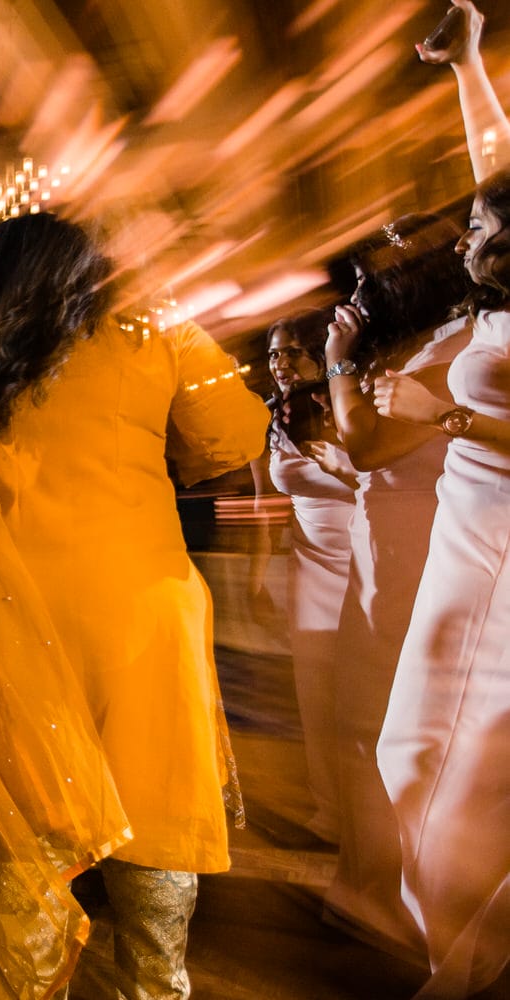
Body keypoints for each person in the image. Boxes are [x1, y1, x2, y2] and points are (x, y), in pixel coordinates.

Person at [0, 213, 269, 1000]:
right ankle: (154, 983)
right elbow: (233, 438)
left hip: (9, 617)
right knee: (152, 796)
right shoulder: (152, 332)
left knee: (19, 820)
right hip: (140, 608)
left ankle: (29, 986)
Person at [365, 12, 510, 994]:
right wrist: (468, 65)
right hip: (466, 545)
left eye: (482, 222)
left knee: (457, 781)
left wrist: (442, 421)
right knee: (410, 752)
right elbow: (494, 156)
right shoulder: (496, 305)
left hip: (502, 562)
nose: (467, 227)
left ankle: (460, 965)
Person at [321, 212, 471, 952]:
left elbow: (368, 445)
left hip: (417, 544)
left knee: (387, 721)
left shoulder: (459, 343)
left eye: (372, 280)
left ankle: (390, 890)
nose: (360, 294)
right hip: (381, 540)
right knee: (362, 716)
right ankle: (365, 876)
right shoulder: (426, 342)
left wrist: (338, 356)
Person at [249, 311, 356, 844]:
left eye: (293, 350)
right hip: (312, 564)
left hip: (371, 549)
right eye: (274, 353)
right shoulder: (268, 417)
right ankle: (331, 810)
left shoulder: (350, 396)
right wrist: (257, 574)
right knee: (315, 690)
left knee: (370, 686)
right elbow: (264, 504)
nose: (282, 363)